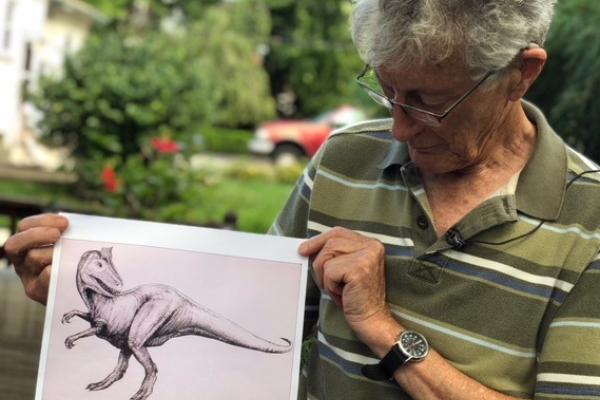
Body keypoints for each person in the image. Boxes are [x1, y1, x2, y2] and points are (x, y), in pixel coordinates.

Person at [4, 0, 600, 399]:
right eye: (385, 91)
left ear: (521, 73)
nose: (397, 128)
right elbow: (254, 325)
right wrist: (67, 295)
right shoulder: (343, 160)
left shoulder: (590, 221)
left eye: (426, 102)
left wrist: (385, 332)